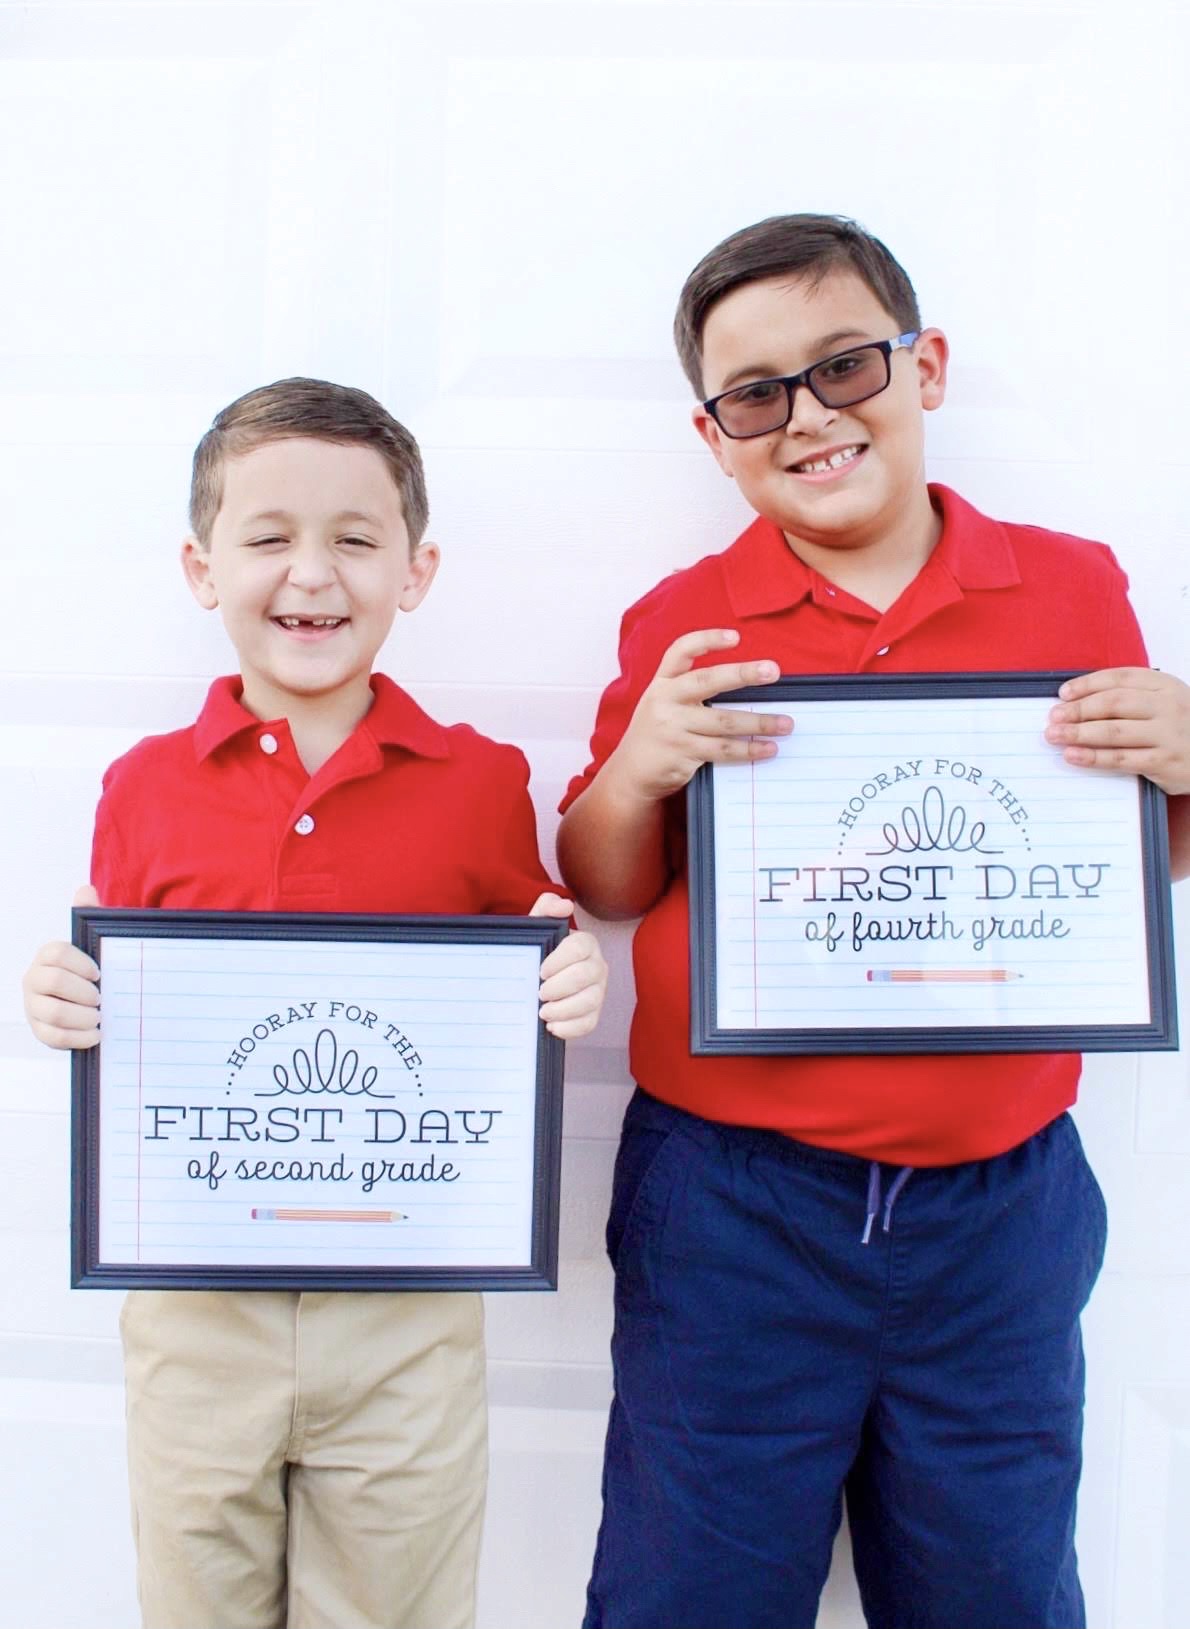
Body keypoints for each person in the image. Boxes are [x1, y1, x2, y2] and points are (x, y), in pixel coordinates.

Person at [556, 214, 1189, 1629]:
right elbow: (603, 878)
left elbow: (1124, 866)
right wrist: (638, 765)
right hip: (730, 1202)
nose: (809, 417)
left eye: (844, 366)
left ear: (926, 367)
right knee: (686, 1590)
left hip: (999, 1205)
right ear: (713, 434)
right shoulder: (685, 620)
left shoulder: (1072, 584)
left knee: (995, 1588)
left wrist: (1184, 750)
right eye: (756, 394)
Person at [21, 377, 608, 1629]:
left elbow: (532, 953)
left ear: (416, 568)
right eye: (269, 536)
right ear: (199, 566)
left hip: (406, 1314)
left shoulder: (477, 782)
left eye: (355, 538)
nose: (312, 575)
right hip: (196, 1310)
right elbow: (109, 981)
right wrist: (62, 992)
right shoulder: (144, 786)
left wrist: (567, 972)